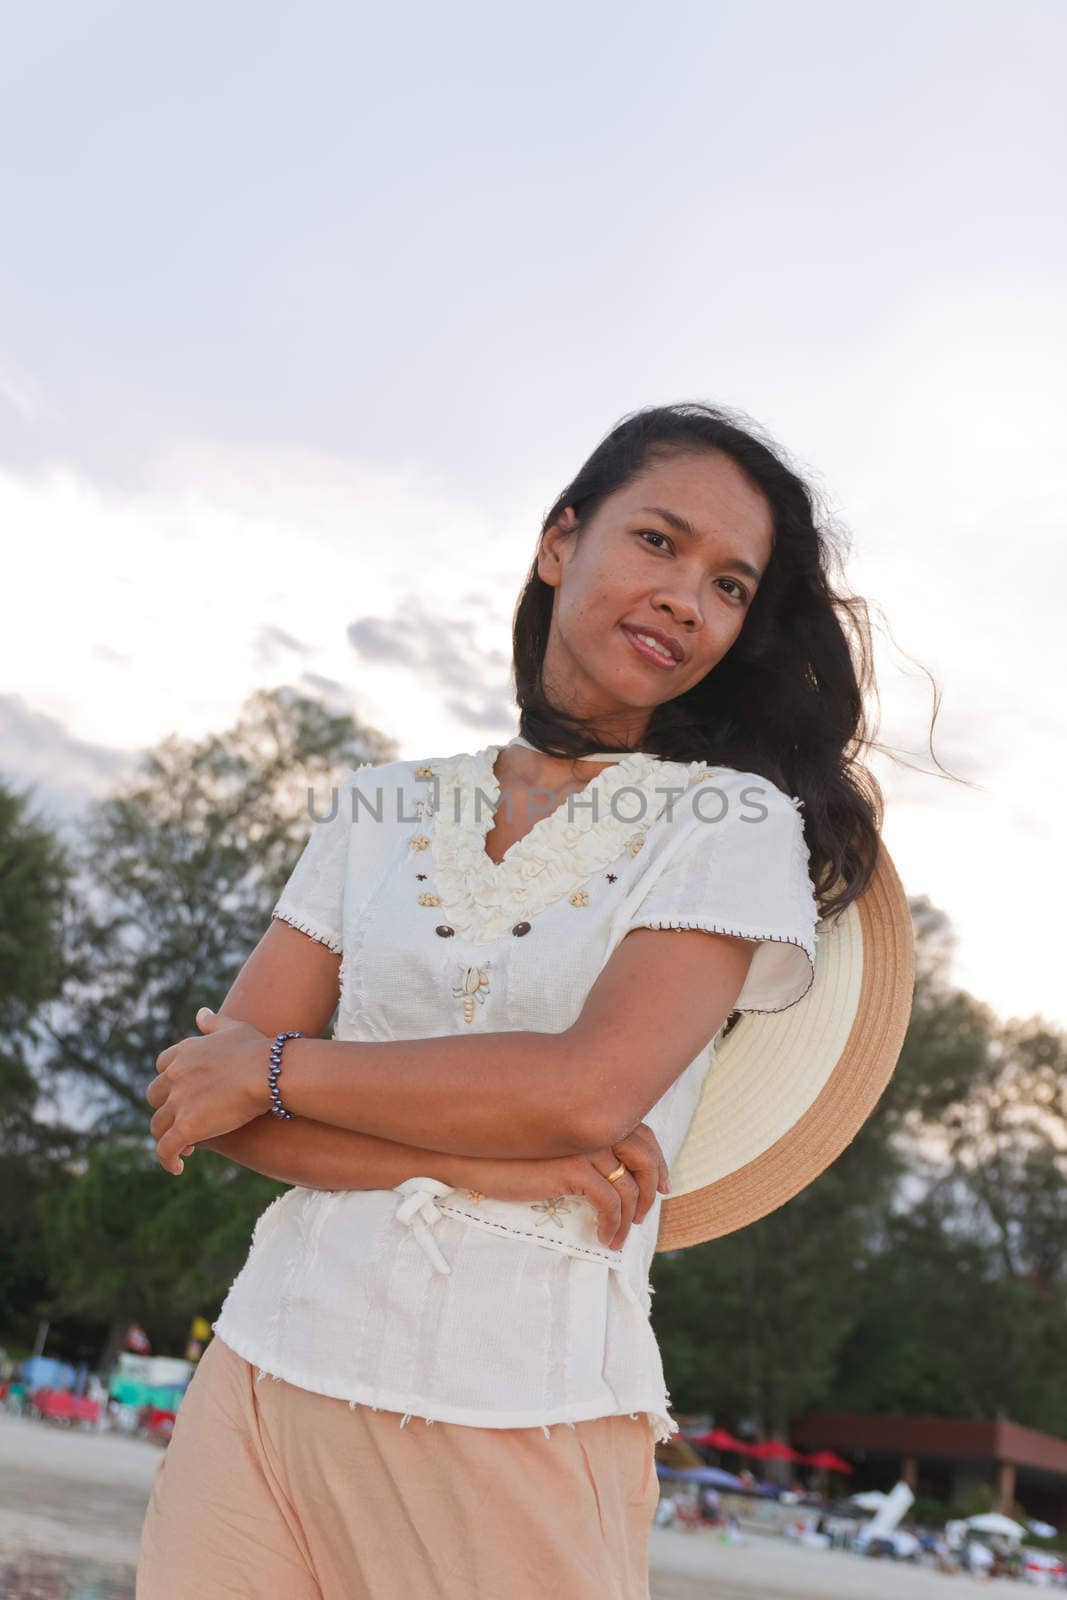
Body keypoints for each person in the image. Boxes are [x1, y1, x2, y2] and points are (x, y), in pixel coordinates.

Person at [137, 401, 889, 1598]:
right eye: (657, 541)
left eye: (730, 584)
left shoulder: (729, 822)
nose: (686, 597)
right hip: (263, 1378)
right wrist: (499, 1172)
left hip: (518, 1413)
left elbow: (583, 1089)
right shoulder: (380, 804)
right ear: (559, 542)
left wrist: (275, 1065)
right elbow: (212, 1110)